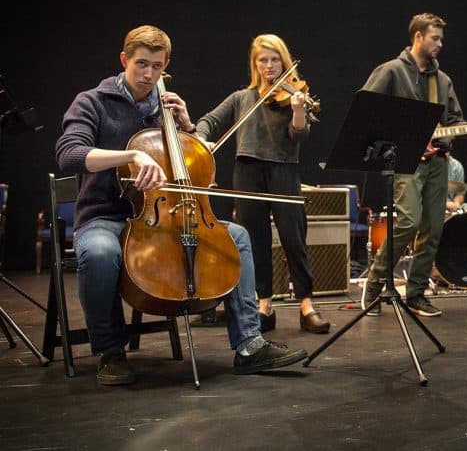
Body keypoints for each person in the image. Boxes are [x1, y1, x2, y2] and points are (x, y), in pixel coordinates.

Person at [54, 25, 307, 386]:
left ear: (165, 65)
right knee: (98, 253)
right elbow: (70, 154)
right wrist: (131, 156)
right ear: (124, 60)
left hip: (166, 216)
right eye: (141, 64)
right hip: (106, 215)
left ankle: (250, 343)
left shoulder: (166, 107)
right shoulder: (93, 101)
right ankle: (110, 351)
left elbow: (188, 160)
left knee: (235, 236)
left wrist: (187, 126)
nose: (148, 75)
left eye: (157, 67)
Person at [361, 12, 467, 317]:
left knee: (433, 228)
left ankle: (416, 293)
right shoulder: (391, 71)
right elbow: (366, 109)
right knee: (409, 221)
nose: (440, 44)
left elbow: (454, 122)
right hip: (405, 158)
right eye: (435, 38)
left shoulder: (443, 80)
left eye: (442, 39)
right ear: (418, 37)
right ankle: (374, 284)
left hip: (437, 160)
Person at [194, 34, 330, 335]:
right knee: (255, 241)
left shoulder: (293, 95)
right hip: (247, 171)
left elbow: (299, 135)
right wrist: (202, 137)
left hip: (283, 170)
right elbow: (208, 121)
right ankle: (264, 305)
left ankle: (306, 305)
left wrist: (297, 109)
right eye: (263, 60)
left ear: (284, 60)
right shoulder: (242, 97)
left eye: (274, 59)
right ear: (255, 64)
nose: (269, 66)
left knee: (294, 238)